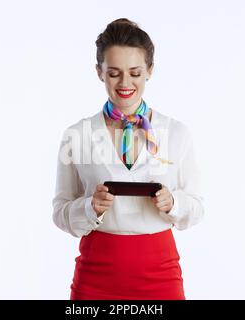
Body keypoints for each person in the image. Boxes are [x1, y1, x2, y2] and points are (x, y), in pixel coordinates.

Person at [52, 18, 204, 300]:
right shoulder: (77, 135)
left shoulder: (177, 134)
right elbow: (60, 213)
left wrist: (174, 203)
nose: (125, 83)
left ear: (150, 71)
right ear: (99, 72)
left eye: (135, 72)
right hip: (95, 276)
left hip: (160, 275)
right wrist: (89, 208)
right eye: (114, 73)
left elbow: (196, 209)